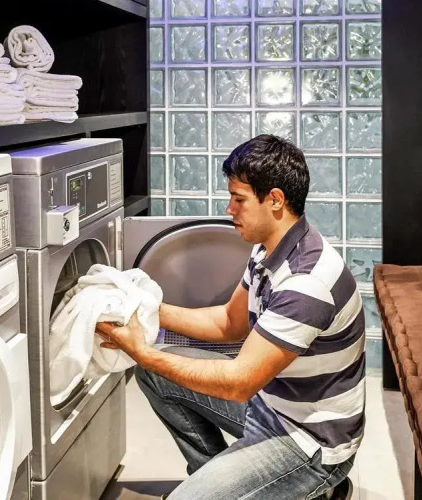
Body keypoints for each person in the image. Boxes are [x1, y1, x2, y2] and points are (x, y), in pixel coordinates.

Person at [97, 134, 365, 500]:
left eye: (239, 199)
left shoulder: (306, 282)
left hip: (309, 442)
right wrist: (145, 308)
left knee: (153, 366)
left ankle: (311, 486)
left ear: (275, 200)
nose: (229, 209)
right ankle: (230, 484)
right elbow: (228, 323)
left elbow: (238, 383)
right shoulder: (268, 250)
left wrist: (142, 352)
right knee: (156, 374)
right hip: (272, 404)